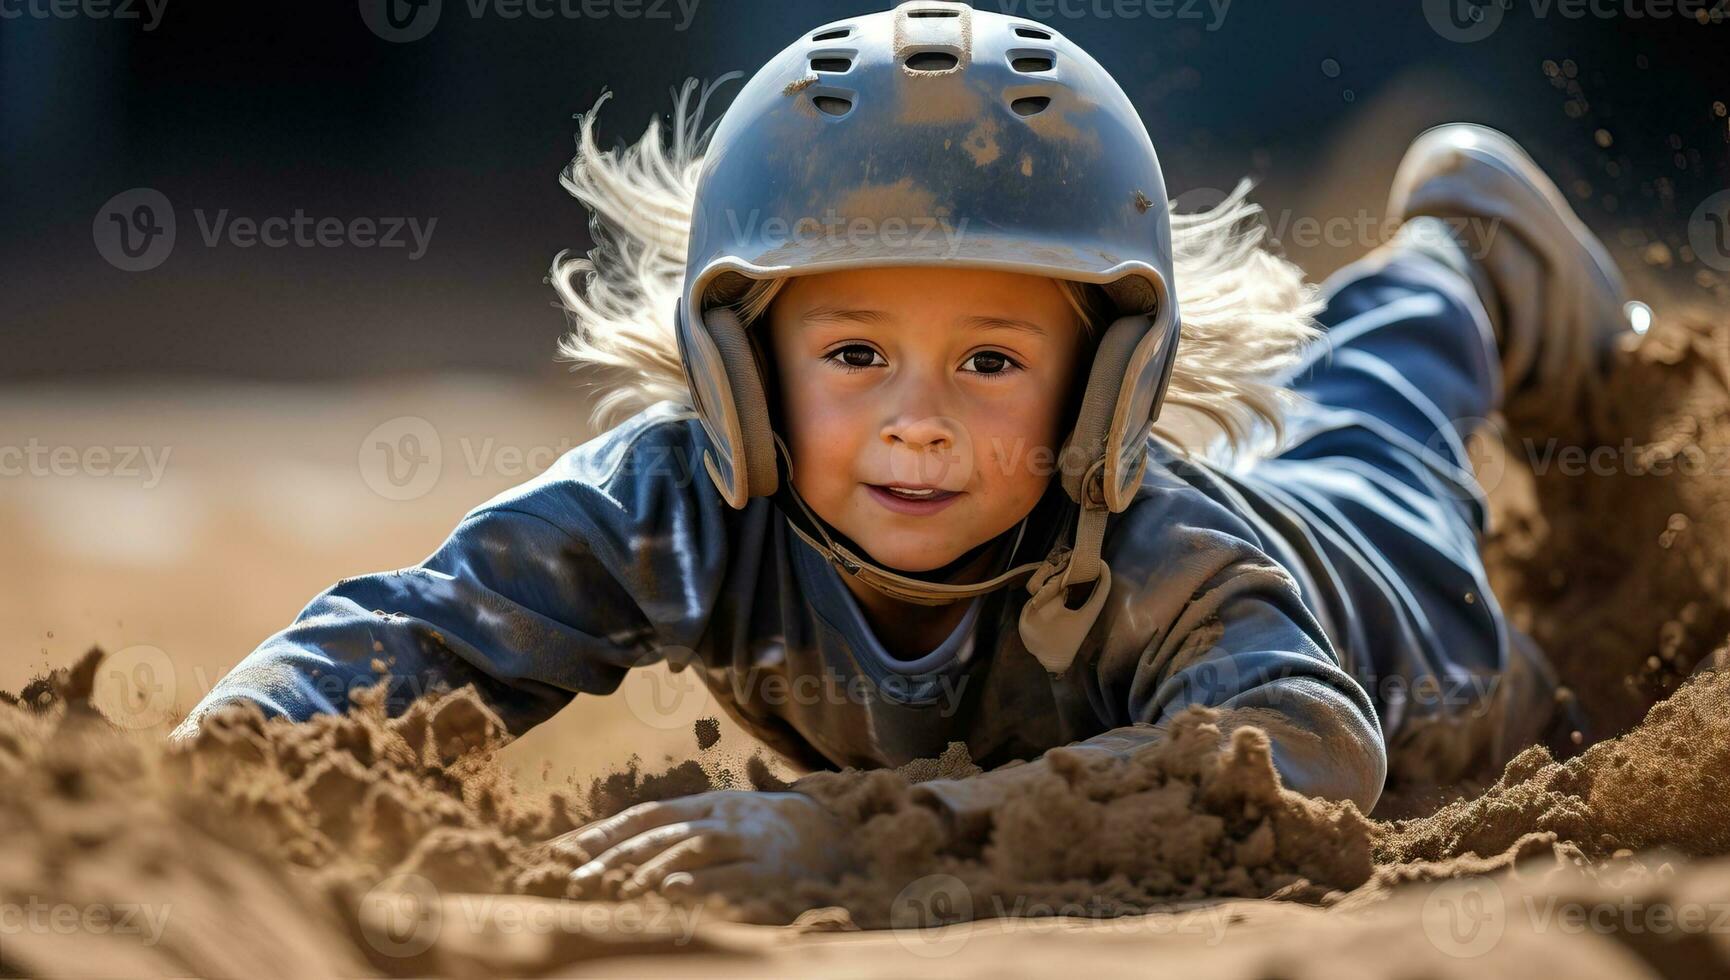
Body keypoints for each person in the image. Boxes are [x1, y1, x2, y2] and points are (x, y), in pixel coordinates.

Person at [172, 1, 1632, 900]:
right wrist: (225, 767)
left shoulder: (1167, 561)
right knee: (1343, 401)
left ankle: (1463, 247)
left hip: (1396, 612)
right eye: (852, 353)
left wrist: (866, 837)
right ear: (738, 368)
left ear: (1103, 388)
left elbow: (1308, 757)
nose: (915, 419)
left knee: (1372, 421)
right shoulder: (685, 505)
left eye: (991, 361)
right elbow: (421, 631)